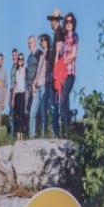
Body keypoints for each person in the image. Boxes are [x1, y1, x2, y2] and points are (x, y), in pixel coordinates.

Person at [57, 13, 79, 136]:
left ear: (73, 23)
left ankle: (67, 126)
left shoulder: (74, 36)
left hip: (70, 73)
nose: (68, 23)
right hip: (62, 74)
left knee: (62, 101)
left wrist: (62, 63)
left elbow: (73, 55)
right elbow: (60, 55)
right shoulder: (64, 38)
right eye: (67, 21)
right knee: (65, 101)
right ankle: (68, 130)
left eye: (71, 21)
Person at [45, 8, 65, 137]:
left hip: (57, 71)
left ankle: (56, 131)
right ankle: (57, 130)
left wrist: (55, 71)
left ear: (55, 21)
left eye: (52, 20)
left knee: (55, 101)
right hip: (57, 70)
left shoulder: (59, 33)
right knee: (55, 101)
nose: (51, 23)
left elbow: (58, 53)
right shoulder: (58, 33)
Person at [24, 35, 41, 138]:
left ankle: (37, 133)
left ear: (35, 42)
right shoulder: (29, 57)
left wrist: (36, 83)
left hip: (36, 86)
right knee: (29, 109)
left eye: (31, 42)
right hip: (29, 86)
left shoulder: (39, 53)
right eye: (28, 43)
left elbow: (40, 69)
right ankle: (30, 133)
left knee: (36, 111)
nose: (29, 44)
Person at [10, 53, 26, 140]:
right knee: (16, 115)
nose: (20, 60)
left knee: (22, 114)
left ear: (23, 60)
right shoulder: (16, 72)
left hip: (23, 94)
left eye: (21, 59)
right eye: (19, 59)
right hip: (17, 95)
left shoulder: (24, 70)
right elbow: (15, 85)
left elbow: (26, 83)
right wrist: (13, 98)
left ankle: (22, 135)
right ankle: (18, 135)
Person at [7, 48, 20, 136]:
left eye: (15, 55)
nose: (13, 57)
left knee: (14, 114)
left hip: (17, 91)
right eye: (12, 55)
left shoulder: (18, 66)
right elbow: (11, 81)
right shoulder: (12, 66)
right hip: (11, 90)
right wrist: (9, 96)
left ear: (18, 56)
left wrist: (14, 97)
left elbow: (17, 82)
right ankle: (12, 134)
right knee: (11, 113)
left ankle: (14, 135)